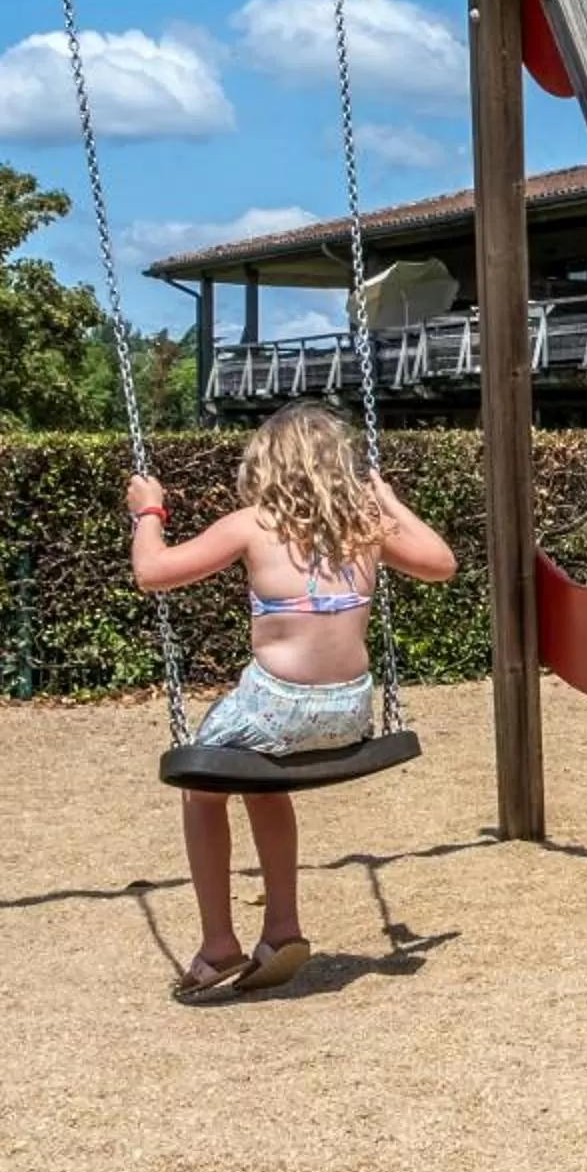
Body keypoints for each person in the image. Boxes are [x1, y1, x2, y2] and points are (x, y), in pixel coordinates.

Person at [126, 401, 456, 1000]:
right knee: (263, 780)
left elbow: (152, 572)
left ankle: (218, 943)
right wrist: (387, 501)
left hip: (277, 708)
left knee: (204, 788)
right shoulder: (362, 524)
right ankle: (281, 929)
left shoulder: (253, 523)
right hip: (348, 713)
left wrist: (148, 508)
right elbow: (441, 564)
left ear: (265, 466)